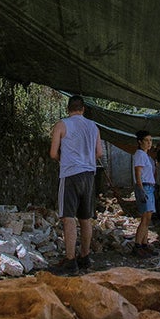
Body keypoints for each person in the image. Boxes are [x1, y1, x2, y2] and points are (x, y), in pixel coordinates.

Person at [49, 95, 103, 275]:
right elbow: (99, 153)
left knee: (68, 217)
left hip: (70, 174)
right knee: (85, 218)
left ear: (68, 108)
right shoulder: (93, 126)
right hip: (89, 175)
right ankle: (85, 257)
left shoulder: (62, 124)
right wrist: (86, 161)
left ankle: (70, 260)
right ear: (83, 109)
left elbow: (52, 153)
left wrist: (64, 160)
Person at [131, 130, 157, 258]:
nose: (149, 143)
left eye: (150, 140)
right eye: (146, 140)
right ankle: (137, 245)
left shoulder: (146, 156)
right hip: (144, 186)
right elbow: (138, 172)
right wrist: (140, 189)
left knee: (148, 217)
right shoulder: (140, 154)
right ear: (140, 142)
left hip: (149, 186)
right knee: (145, 217)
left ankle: (144, 243)